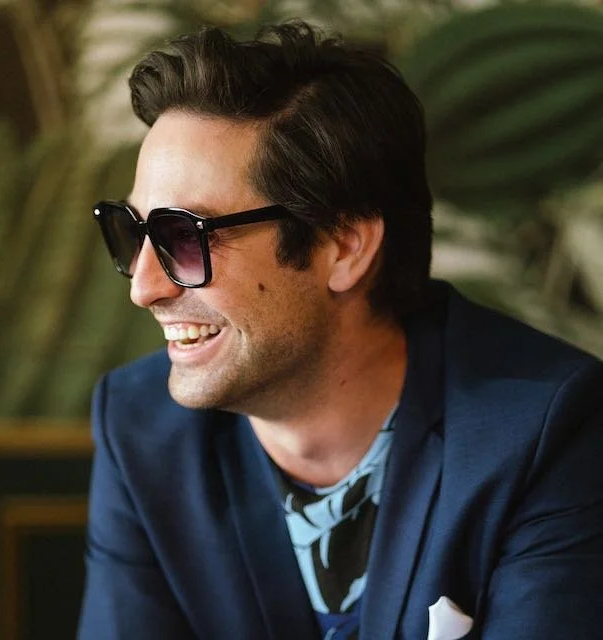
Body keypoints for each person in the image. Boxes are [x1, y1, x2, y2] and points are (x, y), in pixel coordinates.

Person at [78, 21, 603, 640]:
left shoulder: (544, 428)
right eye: (132, 231)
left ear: (344, 247)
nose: (143, 287)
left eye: (184, 237)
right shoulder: (139, 426)